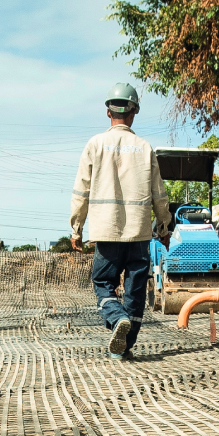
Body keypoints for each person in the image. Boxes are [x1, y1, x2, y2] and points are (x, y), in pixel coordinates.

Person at [72, 83, 171, 361]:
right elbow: (159, 194)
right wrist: (164, 227)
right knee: (135, 291)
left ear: (108, 112)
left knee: (103, 281)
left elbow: (81, 189)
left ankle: (116, 319)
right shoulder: (144, 148)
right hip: (139, 233)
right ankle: (124, 348)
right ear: (134, 111)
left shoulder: (95, 145)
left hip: (106, 231)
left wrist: (76, 228)